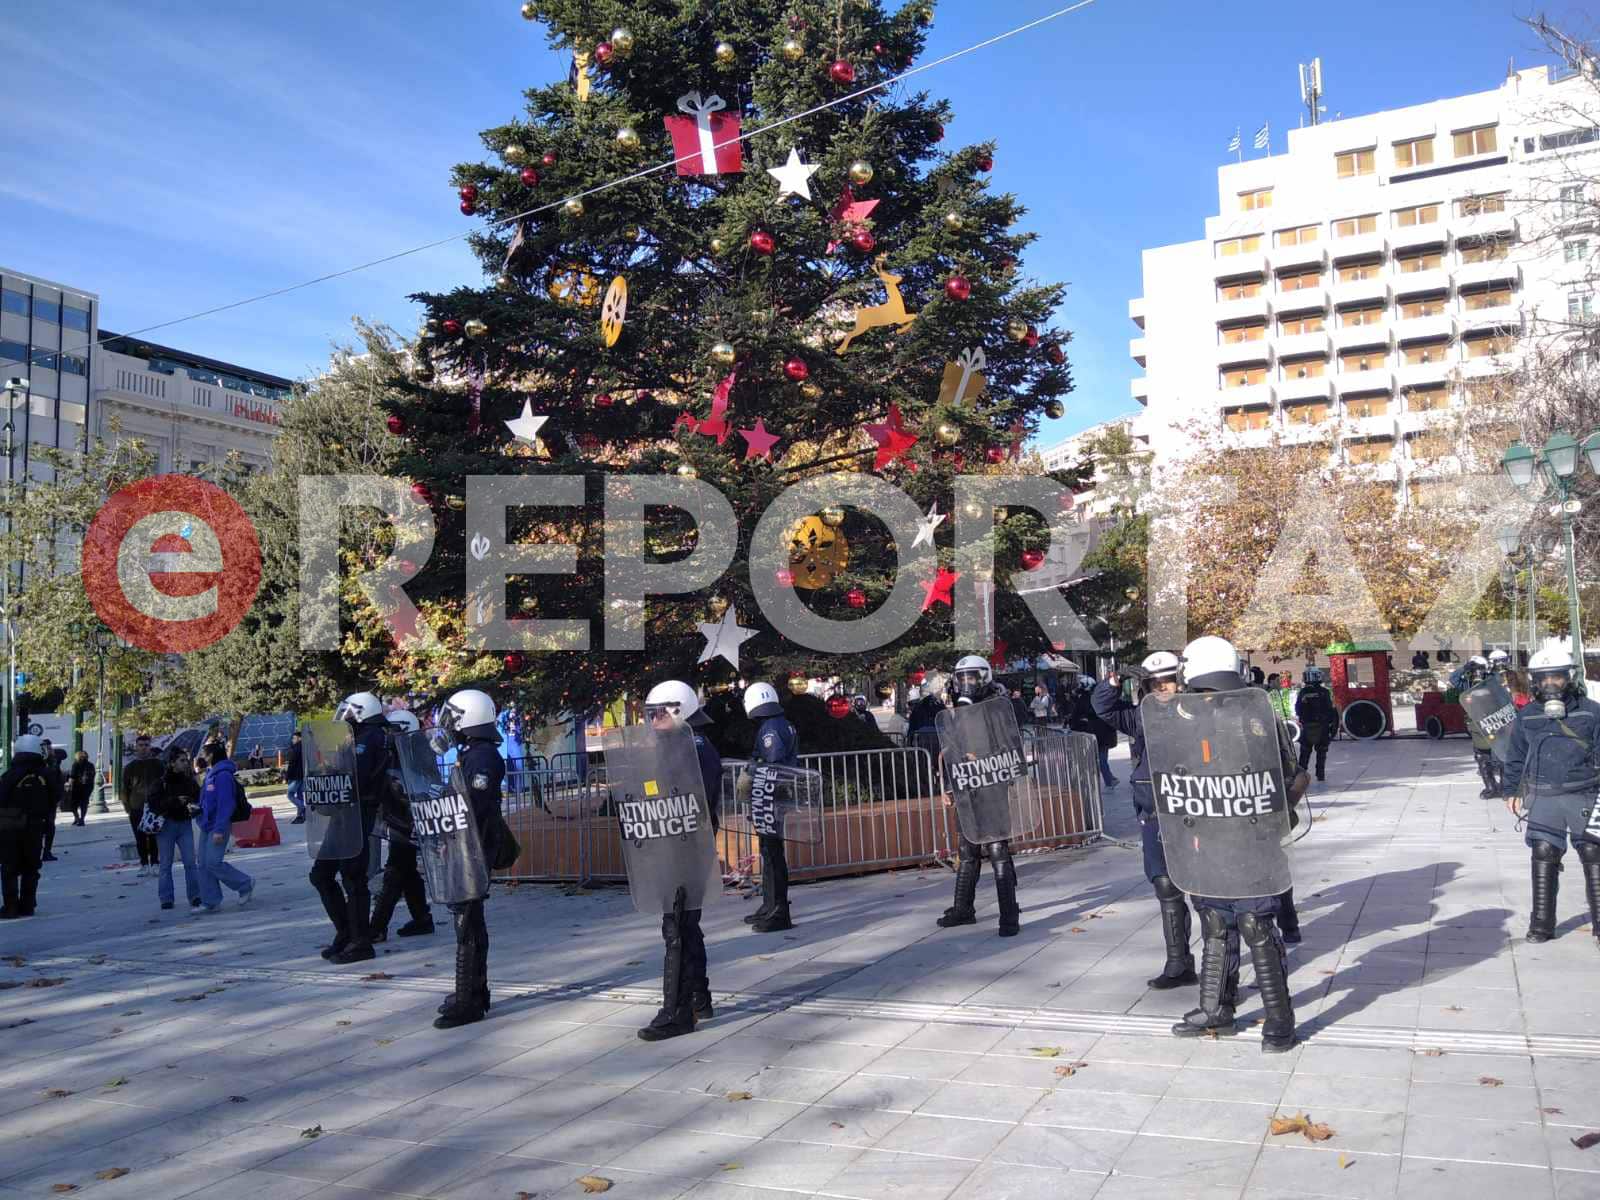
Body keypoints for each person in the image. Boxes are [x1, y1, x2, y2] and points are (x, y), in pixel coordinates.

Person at [1165, 636, 1306, 1052]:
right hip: (1207, 842)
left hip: (1251, 841)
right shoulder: (1183, 722)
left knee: (1255, 926)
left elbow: (1290, 777)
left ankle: (1279, 1022)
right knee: (1214, 922)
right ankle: (1216, 1009)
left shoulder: (1256, 720)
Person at [1093, 652, 1196, 988]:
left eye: (1166, 680)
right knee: (1165, 885)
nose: (1161, 687)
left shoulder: (1199, 711)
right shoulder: (1141, 717)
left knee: (1208, 890)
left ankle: (1220, 969)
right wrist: (1112, 681)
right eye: (1153, 683)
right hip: (1153, 809)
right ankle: (1178, 964)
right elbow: (1105, 710)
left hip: (1194, 809)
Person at [637, 680, 722, 1041]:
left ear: (679, 710)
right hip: (681, 845)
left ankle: (677, 1012)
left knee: (677, 928)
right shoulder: (685, 744)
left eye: (659, 712)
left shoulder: (691, 748)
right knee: (686, 926)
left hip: (685, 847)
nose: (653, 720)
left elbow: (686, 799)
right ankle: (698, 998)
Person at [1501, 645, 1600, 948]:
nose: (1550, 684)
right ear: (1534, 681)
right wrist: (1511, 789)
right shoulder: (1527, 715)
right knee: (1544, 852)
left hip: (1586, 793)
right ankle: (1542, 925)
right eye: (1543, 679)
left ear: (1568, 677)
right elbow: (1515, 756)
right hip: (1545, 796)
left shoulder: (1591, 711)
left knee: (1594, 856)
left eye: (1556, 677)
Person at [935, 654, 1022, 938]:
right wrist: (949, 785)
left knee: (998, 849)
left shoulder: (998, 708)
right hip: (966, 787)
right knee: (968, 848)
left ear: (983, 678)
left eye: (971, 677)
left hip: (991, 783)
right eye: (962, 678)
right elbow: (951, 751)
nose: (966, 683)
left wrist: (985, 758)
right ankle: (963, 909)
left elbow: (1010, 746)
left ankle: (1009, 916)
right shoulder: (957, 710)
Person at [433, 688, 505, 1029]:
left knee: (468, 921)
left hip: (473, 848)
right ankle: (474, 992)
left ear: (468, 719)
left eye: (452, 717)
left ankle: (469, 1002)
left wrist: (452, 832)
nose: (447, 725)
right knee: (469, 919)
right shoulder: (473, 752)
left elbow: (474, 807)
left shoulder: (484, 757)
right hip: (466, 845)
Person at [311, 691, 390, 963]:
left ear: (362, 711)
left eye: (350, 711)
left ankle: (360, 942)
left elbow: (360, 774)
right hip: (344, 812)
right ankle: (347, 932)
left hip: (359, 813)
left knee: (353, 877)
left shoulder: (373, 737)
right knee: (321, 874)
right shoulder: (356, 736)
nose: (344, 716)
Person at [369, 710, 434, 943]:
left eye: (392, 729)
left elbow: (415, 787)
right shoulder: (400, 752)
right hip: (400, 818)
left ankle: (377, 927)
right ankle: (421, 918)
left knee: (394, 874)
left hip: (406, 820)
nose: (387, 734)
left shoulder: (414, 753)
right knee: (408, 873)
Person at [742, 682, 800, 933]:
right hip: (776, 796)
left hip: (771, 796)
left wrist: (751, 770)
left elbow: (772, 765)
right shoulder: (779, 723)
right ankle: (769, 905)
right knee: (768, 850)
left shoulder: (770, 730)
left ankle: (778, 911)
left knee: (773, 853)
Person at [0, 736, 61, 918]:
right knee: (31, 867)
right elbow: (56, 796)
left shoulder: (10, 774)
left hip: (10, 826)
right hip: (36, 826)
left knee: (9, 868)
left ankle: (11, 906)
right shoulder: (46, 774)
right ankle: (28, 905)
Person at [196, 742, 254, 913]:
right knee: (204, 864)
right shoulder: (210, 775)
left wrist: (220, 829)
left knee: (213, 862)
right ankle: (210, 901)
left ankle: (245, 884)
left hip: (218, 826)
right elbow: (206, 800)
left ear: (212, 755)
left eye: (204, 754)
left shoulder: (223, 776)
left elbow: (226, 804)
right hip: (206, 824)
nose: (201, 757)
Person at [154, 746, 203, 910]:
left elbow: (199, 797)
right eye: (181, 760)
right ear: (172, 763)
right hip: (166, 825)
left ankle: (195, 896)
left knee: (190, 862)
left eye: (186, 760)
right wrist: (175, 801)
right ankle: (166, 898)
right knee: (165, 864)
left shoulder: (188, 780)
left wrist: (190, 801)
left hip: (184, 824)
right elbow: (154, 804)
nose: (185, 763)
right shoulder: (161, 782)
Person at [1450, 656, 1504, 800]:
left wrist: (1488, 671)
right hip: (1476, 724)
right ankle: (1491, 787)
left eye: (1479, 670)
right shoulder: (1467, 684)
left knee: (1500, 755)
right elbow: (1453, 679)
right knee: (1482, 756)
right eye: (1474, 670)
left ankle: (1505, 787)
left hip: (1494, 722)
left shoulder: (1491, 681)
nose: (1477, 674)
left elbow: (1499, 682)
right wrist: (1465, 668)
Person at [121, 734, 165, 877]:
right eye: (141, 745)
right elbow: (125, 789)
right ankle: (144, 864)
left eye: (146, 745)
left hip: (154, 806)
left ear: (150, 747)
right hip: (136, 806)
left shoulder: (158, 764)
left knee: (153, 836)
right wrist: (127, 807)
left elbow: (164, 784)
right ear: (136, 747)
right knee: (139, 837)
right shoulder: (130, 767)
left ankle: (155, 863)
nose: (143, 748)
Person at [1070, 677, 1119, 789]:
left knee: (1097, 759)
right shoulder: (1098, 697)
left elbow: (1076, 716)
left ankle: (1106, 780)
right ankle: (1108, 779)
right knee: (1100, 759)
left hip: (1095, 734)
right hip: (1102, 734)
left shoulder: (1084, 700)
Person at [1294, 667, 1336, 782]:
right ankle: (1320, 774)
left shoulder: (1303, 692)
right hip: (1322, 726)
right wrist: (1332, 726)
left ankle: (1301, 776)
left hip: (1307, 726)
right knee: (1322, 752)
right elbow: (1330, 709)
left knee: (1305, 752)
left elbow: (1298, 709)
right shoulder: (1325, 692)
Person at [38, 742, 64, 862]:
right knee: (46, 828)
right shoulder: (47, 766)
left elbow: (63, 754)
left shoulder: (53, 762)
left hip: (48, 801)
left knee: (47, 828)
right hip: (46, 801)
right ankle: (44, 852)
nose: (48, 750)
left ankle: (45, 851)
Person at [69, 749, 95, 827]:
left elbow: (72, 776)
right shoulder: (91, 765)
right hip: (88, 787)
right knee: (84, 803)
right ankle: (82, 819)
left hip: (77, 787)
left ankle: (77, 818)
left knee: (73, 804)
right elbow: (93, 775)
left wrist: (69, 785)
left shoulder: (76, 764)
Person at [285, 730, 305, 824]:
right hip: (303, 775)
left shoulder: (296, 748)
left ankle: (303, 809)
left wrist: (287, 776)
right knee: (300, 795)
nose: (292, 740)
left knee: (290, 795)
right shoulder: (305, 747)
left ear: (299, 738)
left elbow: (292, 764)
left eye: (294, 738)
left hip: (295, 776)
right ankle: (300, 816)